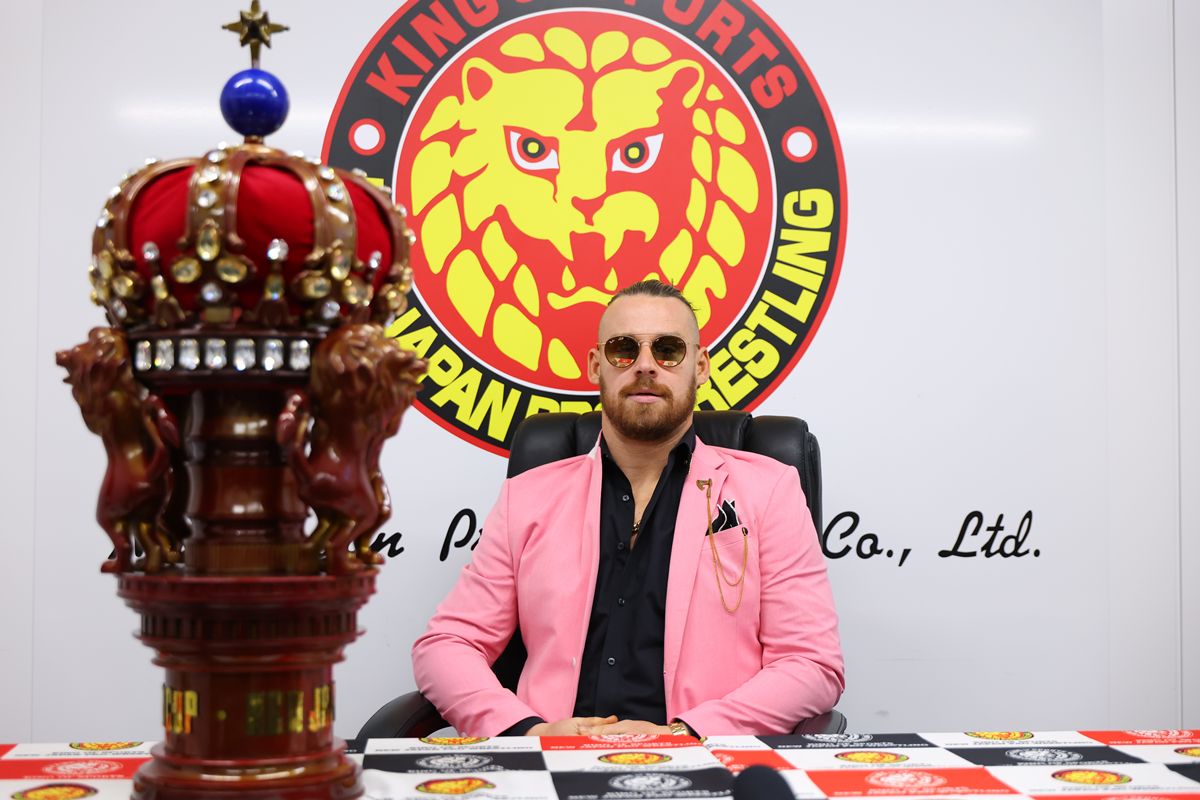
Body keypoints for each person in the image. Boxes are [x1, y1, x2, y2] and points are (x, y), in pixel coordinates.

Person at [411, 280, 843, 737]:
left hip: (704, 759)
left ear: (700, 367)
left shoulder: (769, 490)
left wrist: (688, 733)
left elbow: (811, 663)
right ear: (596, 365)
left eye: (668, 350)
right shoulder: (529, 496)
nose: (645, 365)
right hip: (552, 761)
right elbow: (446, 645)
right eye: (623, 350)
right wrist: (527, 732)